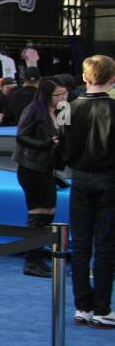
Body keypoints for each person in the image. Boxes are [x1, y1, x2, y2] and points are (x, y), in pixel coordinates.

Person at [60, 55, 115, 327]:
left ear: (84, 77)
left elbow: (61, 148)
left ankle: (83, 307)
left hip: (80, 179)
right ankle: (102, 308)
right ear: (112, 79)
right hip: (110, 180)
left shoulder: (67, 108)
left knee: (80, 244)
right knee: (105, 245)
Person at [14, 80, 66, 279]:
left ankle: (37, 258)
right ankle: (31, 261)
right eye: (58, 94)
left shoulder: (63, 110)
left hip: (48, 167)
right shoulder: (34, 109)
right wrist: (46, 143)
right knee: (37, 213)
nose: (63, 98)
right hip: (31, 167)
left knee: (49, 212)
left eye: (65, 93)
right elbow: (21, 136)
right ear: (47, 95)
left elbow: (66, 134)